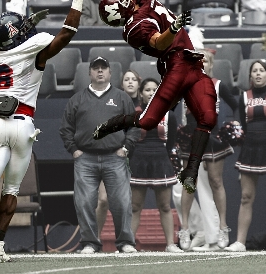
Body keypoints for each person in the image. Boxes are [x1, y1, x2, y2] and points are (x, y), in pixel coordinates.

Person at [0, 0, 96, 262]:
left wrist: (20, 27)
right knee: (12, 189)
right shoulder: (35, 48)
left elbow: (8, 40)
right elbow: (67, 32)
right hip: (24, 125)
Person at [93, 0, 217, 195]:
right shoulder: (134, 27)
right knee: (148, 122)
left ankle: (191, 171)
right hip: (176, 63)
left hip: (192, 62)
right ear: (119, 11)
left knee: (207, 116)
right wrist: (173, 28)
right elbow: (159, 43)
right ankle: (116, 122)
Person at [60, 56, 139, 254]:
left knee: (121, 201)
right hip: (85, 158)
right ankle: (89, 243)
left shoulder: (122, 97)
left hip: (115, 157)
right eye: (96, 68)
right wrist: (73, 150)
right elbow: (66, 128)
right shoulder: (77, 99)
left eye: (104, 68)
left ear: (110, 73)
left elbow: (135, 127)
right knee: (85, 202)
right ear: (90, 73)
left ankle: (125, 242)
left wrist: (127, 148)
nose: (100, 71)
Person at [224, 60, 266, 252]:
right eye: (254, 71)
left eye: (261, 70)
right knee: (246, 196)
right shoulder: (244, 97)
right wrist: (254, 138)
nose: (258, 74)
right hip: (250, 150)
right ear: (250, 76)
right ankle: (239, 242)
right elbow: (243, 127)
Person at [175, 49, 238, 251]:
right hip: (191, 137)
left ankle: (222, 227)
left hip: (212, 137)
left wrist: (231, 126)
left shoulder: (219, 85)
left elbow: (237, 106)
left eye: (206, 62)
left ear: (211, 65)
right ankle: (185, 229)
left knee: (216, 181)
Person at [130, 78, 182, 253]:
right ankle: (129, 245)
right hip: (138, 161)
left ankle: (170, 244)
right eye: (147, 90)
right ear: (141, 93)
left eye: (155, 90)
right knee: (135, 206)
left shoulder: (169, 115)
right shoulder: (134, 114)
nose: (151, 93)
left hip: (161, 161)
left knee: (165, 206)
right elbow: (128, 139)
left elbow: (171, 143)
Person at [95, 68, 142, 236]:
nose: (130, 82)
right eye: (126, 79)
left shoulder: (145, 106)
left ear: (138, 84)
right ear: (121, 84)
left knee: (127, 202)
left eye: (133, 79)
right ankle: (94, 241)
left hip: (136, 159)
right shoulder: (112, 103)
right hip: (110, 156)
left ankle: (125, 241)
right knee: (103, 200)